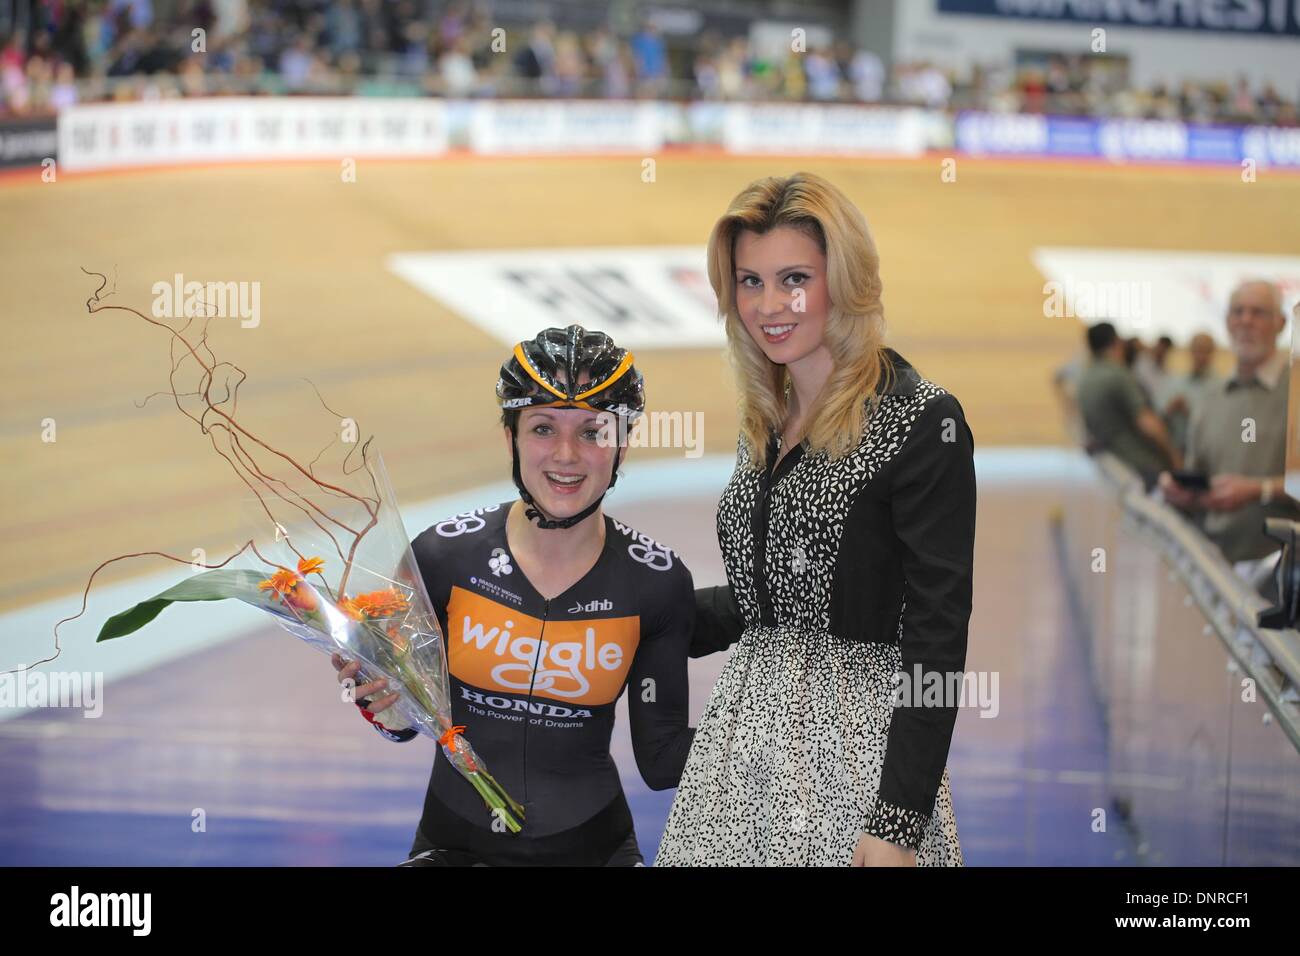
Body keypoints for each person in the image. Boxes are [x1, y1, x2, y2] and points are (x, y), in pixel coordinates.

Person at [656, 171, 974, 867]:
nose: (769, 304)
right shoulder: (764, 418)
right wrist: (637, 607)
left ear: (846, 280)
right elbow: (765, 603)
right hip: (737, 758)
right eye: (749, 281)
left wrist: (897, 821)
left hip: (856, 761)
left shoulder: (920, 420)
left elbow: (937, 637)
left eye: (793, 277)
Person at [333, 325, 697, 866]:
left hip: (594, 851)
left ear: (623, 442)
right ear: (511, 438)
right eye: (544, 428)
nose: (567, 455)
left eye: (594, 431)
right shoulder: (441, 557)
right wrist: (382, 705)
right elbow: (403, 723)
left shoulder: (657, 582)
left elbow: (665, 759)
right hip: (454, 846)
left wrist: (784, 742)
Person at [1159, 281, 1300, 563]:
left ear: (1281, 323)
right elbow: (1200, 477)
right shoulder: (1210, 399)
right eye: (1238, 312)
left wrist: (1257, 490)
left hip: (1281, 571)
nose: (1246, 321)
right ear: (1226, 322)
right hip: (1216, 570)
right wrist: (1180, 490)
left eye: (1258, 312)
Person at [1076, 321, 1180, 484]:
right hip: (1141, 466)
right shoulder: (1119, 375)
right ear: (1116, 342)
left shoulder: (1085, 379)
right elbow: (1147, 423)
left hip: (1114, 467)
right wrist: (1174, 456)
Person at [1157, 332, 1220, 454]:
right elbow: (1157, 417)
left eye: (1206, 351)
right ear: (1190, 351)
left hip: (1204, 454)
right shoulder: (1174, 382)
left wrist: (1189, 412)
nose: (1201, 356)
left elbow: (1218, 425)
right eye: (1198, 350)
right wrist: (1170, 407)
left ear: (1213, 353)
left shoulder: (1220, 387)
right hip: (1172, 451)